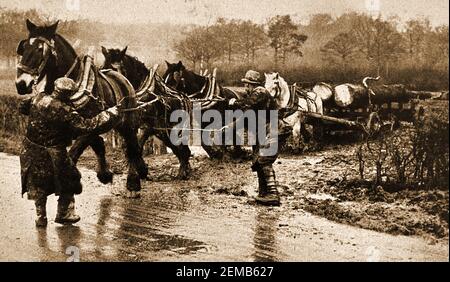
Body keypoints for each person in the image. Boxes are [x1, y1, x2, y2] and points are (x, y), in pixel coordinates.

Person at [19, 77, 120, 227]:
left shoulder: (38, 98)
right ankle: (64, 213)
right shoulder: (64, 110)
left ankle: (41, 217)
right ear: (68, 94)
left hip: (30, 150)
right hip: (54, 152)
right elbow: (87, 126)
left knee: (37, 183)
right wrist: (109, 114)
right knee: (71, 178)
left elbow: (22, 106)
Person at [228, 70, 292, 206]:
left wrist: (235, 102)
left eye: (246, 84)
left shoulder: (260, 92)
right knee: (257, 161)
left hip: (275, 129)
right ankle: (263, 192)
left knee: (264, 159)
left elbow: (247, 104)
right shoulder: (255, 96)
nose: (245, 87)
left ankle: (273, 194)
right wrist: (227, 128)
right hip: (263, 132)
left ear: (252, 84)